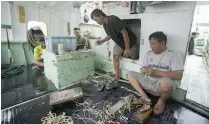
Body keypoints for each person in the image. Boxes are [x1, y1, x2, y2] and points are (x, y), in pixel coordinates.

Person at [127, 31, 184, 115]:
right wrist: (143, 70)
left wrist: (155, 72)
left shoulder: (174, 55)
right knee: (130, 74)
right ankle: (145, 98)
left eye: (154, 44)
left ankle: (161, 101)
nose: (151, 46)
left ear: (163, 43)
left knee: (165, 83)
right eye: (150, 43)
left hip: (161, 87)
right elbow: (144, 68)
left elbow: (179, 75)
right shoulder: (148, 54)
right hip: (148, 82)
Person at [91, 9, 139, 81]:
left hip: (130, 42)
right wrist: (102, 41)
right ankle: (117, 75)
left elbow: (125, 33)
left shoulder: (113, 19)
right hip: (120, 42)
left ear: (100, 16)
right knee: (115, 55)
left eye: (96, 19)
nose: (97, 22)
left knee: (133, 57)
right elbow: (110, 35)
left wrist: (127, 48)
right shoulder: (105, 25)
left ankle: (134, 79)